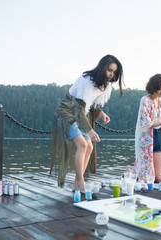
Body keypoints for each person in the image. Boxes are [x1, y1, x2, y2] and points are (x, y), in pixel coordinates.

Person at [50, 54, 124, 192]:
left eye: (114, 72)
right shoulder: (87, 80)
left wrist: (101, 114)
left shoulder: (105, 86)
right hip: (67, 113)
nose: (111, 74)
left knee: (89, 147)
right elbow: (78, 108)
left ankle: (77, 182)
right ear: (102, 67)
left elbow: (91, 105)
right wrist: (90, 130)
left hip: (80, 115)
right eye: (109, 70)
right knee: (83, 144)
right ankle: (81, 182)